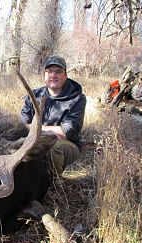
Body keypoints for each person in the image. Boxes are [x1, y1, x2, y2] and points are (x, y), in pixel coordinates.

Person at [21, 55, 86, 183]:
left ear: (65, 75)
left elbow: (65, 132)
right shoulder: (33, 95)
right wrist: (45, 131)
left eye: (58, 71)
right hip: (36, 139)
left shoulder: (77, 98)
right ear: (44, 75)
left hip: (68, 145)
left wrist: (35, 129)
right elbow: (22, 125)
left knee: (53, 146)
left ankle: (55, 182)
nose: (53, 75)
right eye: (49, 71)